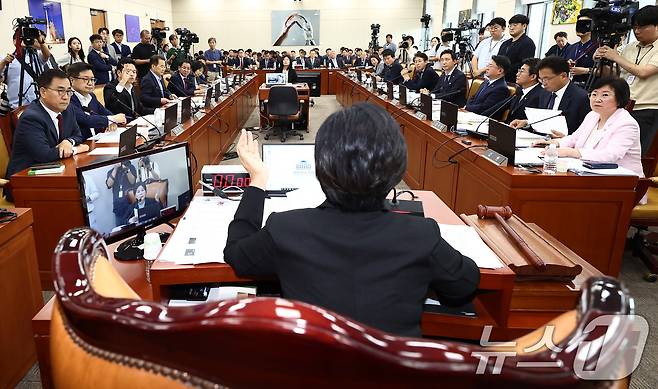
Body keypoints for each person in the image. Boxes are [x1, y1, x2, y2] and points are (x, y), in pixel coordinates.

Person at [224, 103, 480, 337]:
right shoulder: (422, 235)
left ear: (320, 166)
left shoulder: (286, 228)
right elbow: (464, 285)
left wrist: (257, 178)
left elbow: (237, 253)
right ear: (397, 169)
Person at [533, 77, 643, 179]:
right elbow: (574, 138)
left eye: (605, 95)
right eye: (594, 94)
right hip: (586, 173)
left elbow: (610, 156)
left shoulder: (626, 124)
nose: (597, 99)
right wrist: (555, 144)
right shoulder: (593, 115)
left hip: (621, 180)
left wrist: (572, 152)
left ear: (619, 99)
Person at [5, 69, 88, 189]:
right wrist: (76, 149)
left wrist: (68, 142)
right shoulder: (31, 118)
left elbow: (78, 135)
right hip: (26, 182)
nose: (66, 97)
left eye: (69, 91)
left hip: (55, 172)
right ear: (43, 92)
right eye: (60, 91)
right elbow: (44, 155)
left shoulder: (67, 110)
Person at [594, 5, 658, 155]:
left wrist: (616, 57)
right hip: (623, 106)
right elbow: (615, 74)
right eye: (635, 27)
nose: (637, 31)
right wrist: (601, 56)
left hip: (646, 109)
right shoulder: (629, 47)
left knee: (635, 153)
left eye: (642, 27)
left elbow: (643, 72)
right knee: (613, 150)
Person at [510, 56, 590, 134]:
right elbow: (545, 120)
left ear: (563, 76)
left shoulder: (581, 97)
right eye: (541, 79)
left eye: (546, 79)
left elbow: (583, 132)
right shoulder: (544, 93)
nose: (543, 83)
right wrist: (527, 123)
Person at [67, 62, 126, 140]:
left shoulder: (91, 96)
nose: (90, 83)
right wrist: (112, 119)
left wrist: (112, 121)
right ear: (72, 80)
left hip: (97, 140)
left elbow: (104, 111)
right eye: (85, 79)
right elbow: (85, 120)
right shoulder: (68, 99)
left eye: (92, 79)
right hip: (81, 144)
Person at [0, 29, 52, 108]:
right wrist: (4, 62)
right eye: (21, 39)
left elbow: (47, 55)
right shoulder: (7, 58)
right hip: (17, 105)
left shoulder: (36, 55)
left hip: (38, 101)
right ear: (14, 41)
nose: (25, 41)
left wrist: (41, 41)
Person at [465, 55, 512, 120]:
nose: (487, 68)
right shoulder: (486, 82)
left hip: (482, 120)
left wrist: (467, 108)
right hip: (471, 114)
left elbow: (485, 108)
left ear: (500, 71)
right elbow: (473, 97)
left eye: (490, 66)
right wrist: (466, 107)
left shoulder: (501, 89)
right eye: (487, 65)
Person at [505, 58, 549, 123]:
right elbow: (501, 106)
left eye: (522, 71)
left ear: (533, 76)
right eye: (519, 70)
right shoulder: (519, 90)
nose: (517, 74)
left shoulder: (540, 95)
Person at [498, 14, 536, 83]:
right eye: (510, 25)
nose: (511, 28)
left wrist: (503, 71)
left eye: (515, 25)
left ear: (524, 26)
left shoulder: (528, 43)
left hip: (514, 81)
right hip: (500, 78)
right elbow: (498, 59)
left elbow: (523, 64)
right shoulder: (505, 43)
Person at [564, 15, 598, 84]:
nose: (580, 27)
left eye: (584, 24)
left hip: (590, 87)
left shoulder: (598, 47)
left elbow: (607, 72)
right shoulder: (571, 47)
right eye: (578, 24)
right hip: (571, 86)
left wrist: (586, 70)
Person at [106, 160, 137, 226]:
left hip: (131, 204)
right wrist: (115, 168)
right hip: (118, 207)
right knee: (120, 229)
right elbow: (109, 184)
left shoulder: (130, 167)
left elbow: (132, 181)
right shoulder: (110, 172)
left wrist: (126, 169)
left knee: (134, 226)